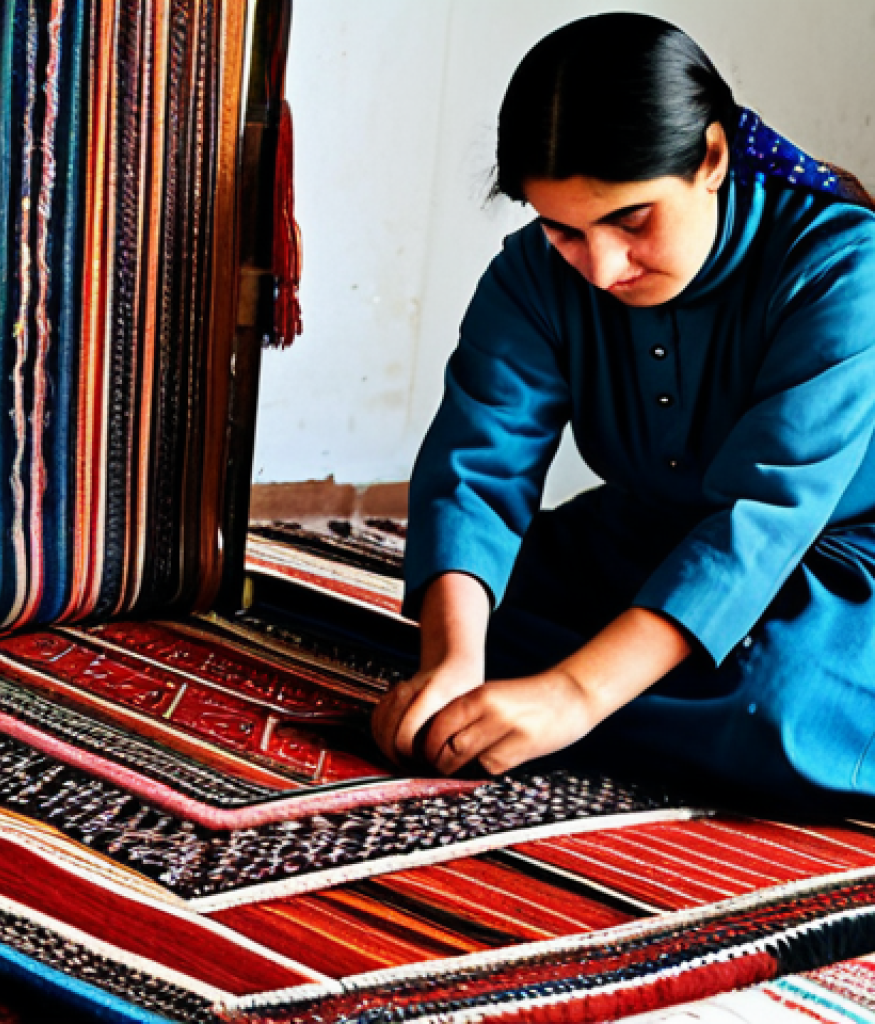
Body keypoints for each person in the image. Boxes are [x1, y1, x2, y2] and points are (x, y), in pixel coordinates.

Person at [372, 12, 875, 802]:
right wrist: (452, 664)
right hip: (653, 530)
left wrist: (574, 695)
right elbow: (478, 467)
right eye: (565, 231)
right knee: (483, 612)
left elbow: (763, 517)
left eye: (630, 220)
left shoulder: (842, 267)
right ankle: (612, 702)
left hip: (840, 557)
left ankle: (593, 708)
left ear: (710, 158)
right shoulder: (531, 277)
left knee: (778, 699)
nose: (601, 267)